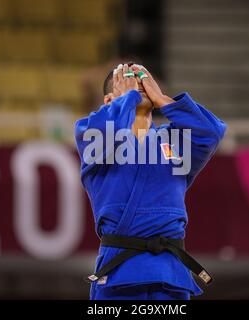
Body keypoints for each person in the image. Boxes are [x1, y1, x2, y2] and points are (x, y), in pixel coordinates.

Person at [74, 62, 226, 300]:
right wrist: (129, 96)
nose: (137, 83)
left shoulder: (174, 141)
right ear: (108, 101)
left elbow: (210, 133)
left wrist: (163, 99)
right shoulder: (93, 134)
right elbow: (106, 128)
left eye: (141, 80)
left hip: (169, 275)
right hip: (118, 273)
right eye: (127, 80)